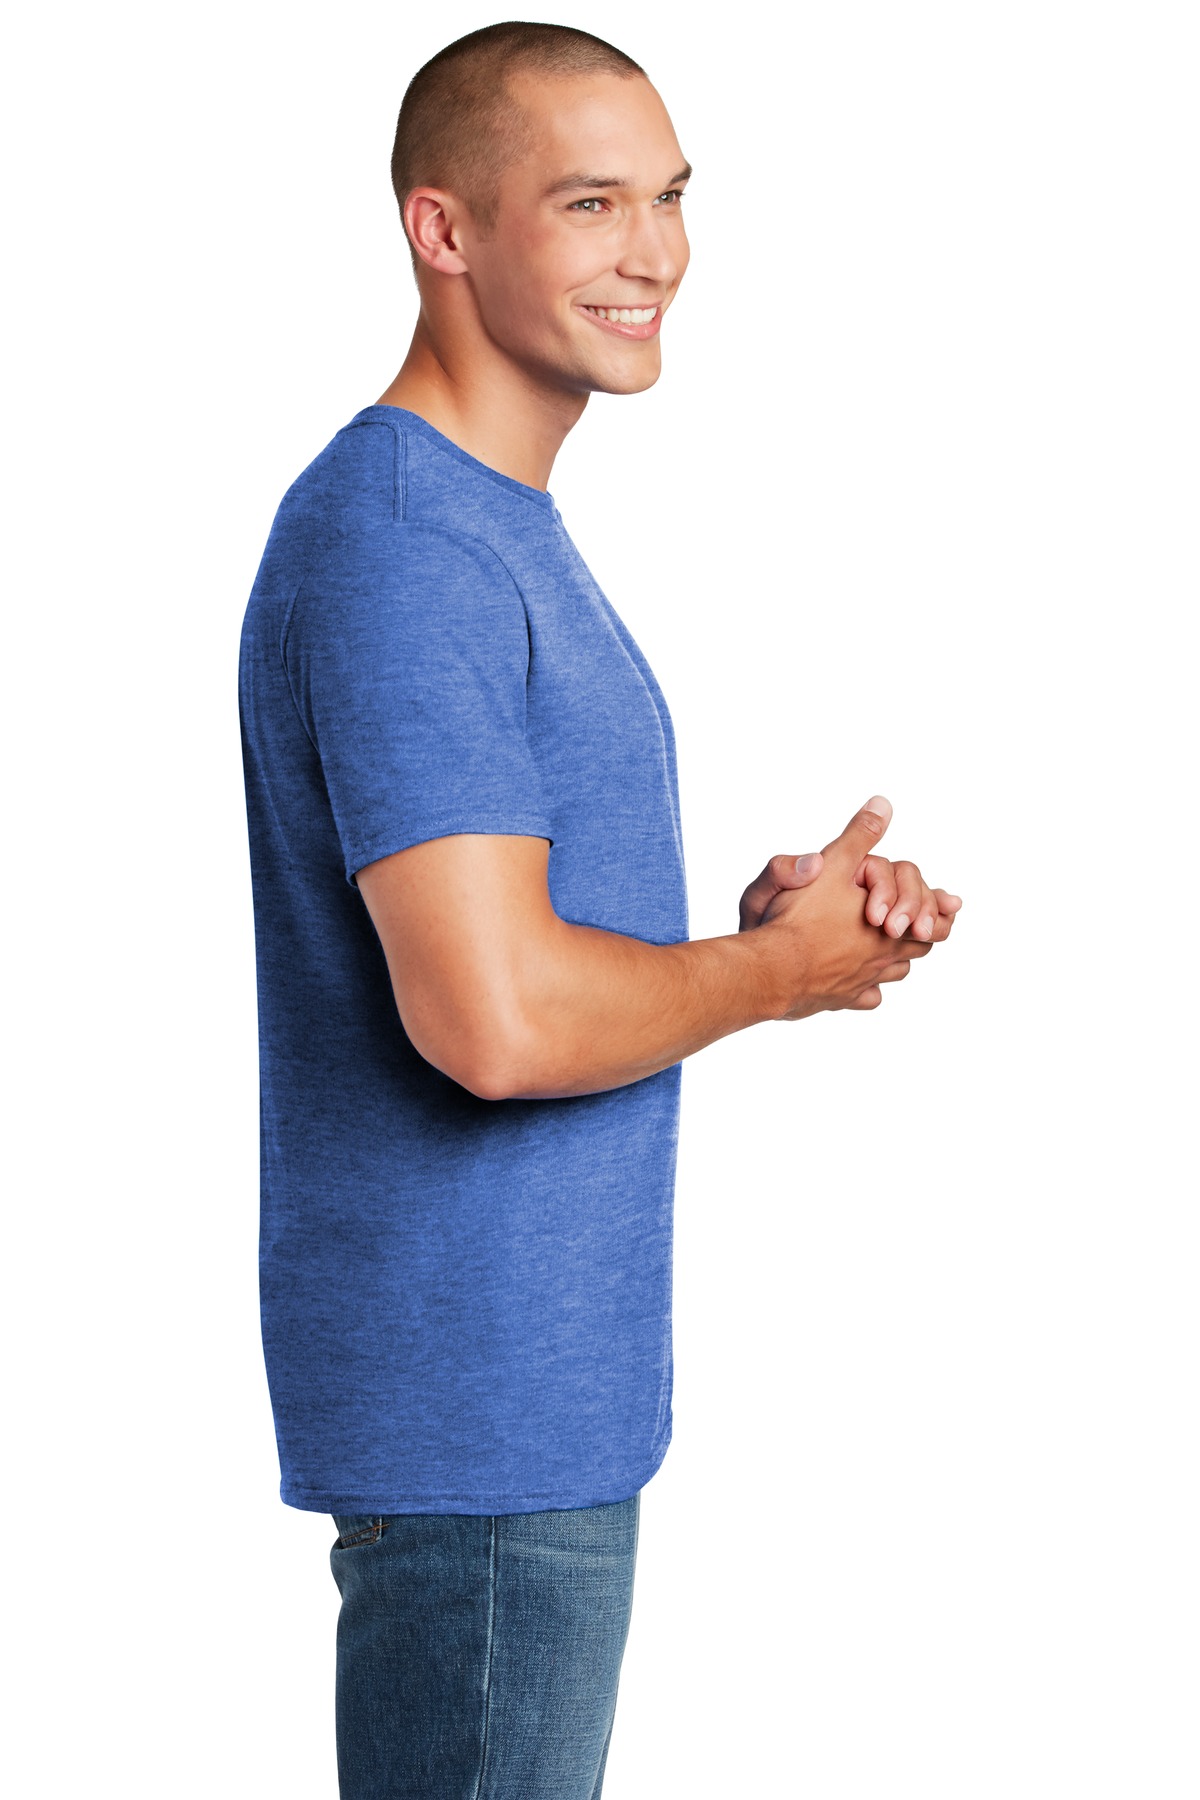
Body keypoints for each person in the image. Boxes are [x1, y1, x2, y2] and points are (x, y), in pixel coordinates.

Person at [237, 20, 963, 1799]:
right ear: (443, 230)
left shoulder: (482, 527)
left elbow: (527, 941)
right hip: (484, 1435)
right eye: (588, 202)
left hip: (524, 1418)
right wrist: (766, 971)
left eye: (670, 197)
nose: (655, 252)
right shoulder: (409, 547)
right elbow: (494, 1023)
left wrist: (768, 943)